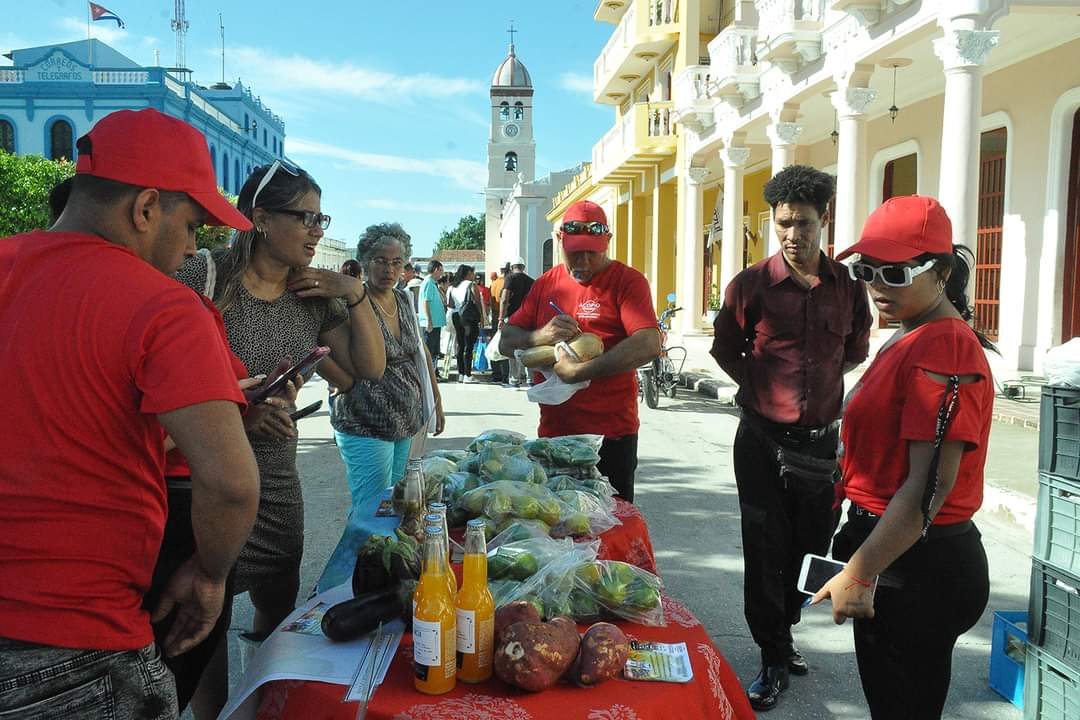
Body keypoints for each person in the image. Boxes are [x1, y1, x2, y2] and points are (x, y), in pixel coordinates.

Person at [0, 108, 260, 719]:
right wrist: (208, 575)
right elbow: (230, 485)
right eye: (193, 225)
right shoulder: (165, 306)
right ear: (146, 209)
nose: (194, 248)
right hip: (78, 643)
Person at [175, 159, 386, 717]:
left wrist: (354, 291)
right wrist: (237, 415)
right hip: (202, 475)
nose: (318, 230)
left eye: (322, 219)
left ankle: (262, 701)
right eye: (306, 218)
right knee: (204, 614)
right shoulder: (203, 278)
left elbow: (368, 367)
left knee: (277, 601)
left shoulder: (311, 295)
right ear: (261, 218)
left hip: (275, 475)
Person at [812, 196, 994, 720]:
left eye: (893, 272)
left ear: (938, 272)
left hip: (917, 565)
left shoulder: (944, 349)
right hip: (898, 552)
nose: (875, 286)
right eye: (864, 270)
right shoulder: (914, 332)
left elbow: (929, 487)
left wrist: (863, 571)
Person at [710, 164, 872, 712]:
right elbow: (725, 348)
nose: (792, 235)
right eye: (782, 224)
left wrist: (817, 394)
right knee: (764, 550)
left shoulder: (847, 288)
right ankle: (773, 654)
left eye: (802, 223)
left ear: (823, 220)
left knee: (812, 549)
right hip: (759, 443)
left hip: (821, 447)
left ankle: (785, 625)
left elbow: (854, 348)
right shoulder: (750, 286)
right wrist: (762, 388)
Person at [499, 200, 660, 502]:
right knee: (559, 526)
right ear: (560, 241)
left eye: (592, 253)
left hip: (611, 437)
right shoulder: (547, 284)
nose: (583, 262)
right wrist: (541, 335)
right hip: (555, 435)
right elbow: (506, 341)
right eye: (575, 253)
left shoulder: (627, 282)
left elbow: (649, 342)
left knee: (611, 528)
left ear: (607, 243)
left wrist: (580, 372)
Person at [332, 224, 445, 514]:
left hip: (407, 421)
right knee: (371, 509)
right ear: (366, 261)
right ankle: (359, 560)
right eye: (380, 261)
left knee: (399, 506)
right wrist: (345, 384)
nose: (389, 269)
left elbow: (422, 352)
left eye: (397, 262)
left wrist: (436, 401)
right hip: (365, 422)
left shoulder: (404, 299)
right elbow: (323, 348)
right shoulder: (352, 303)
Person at [499, 257, 535, 387]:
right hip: (528, 318)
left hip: (513, 318)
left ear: (512, 267)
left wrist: (501, 319)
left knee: (512, 347)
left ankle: (515, 379)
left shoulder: (510, 278)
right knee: (528, 347)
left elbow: (504, 299)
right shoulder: (532, 281)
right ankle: (531, 378)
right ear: (523, 267)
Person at [449, 264, 485, 384]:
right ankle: (468, 375)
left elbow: (450, 304)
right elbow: (478, 302)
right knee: (469, 345)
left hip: (456, 316)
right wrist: (482, 317)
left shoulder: (453, 287)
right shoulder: (471, 285)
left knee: (460, 344)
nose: (474, 275)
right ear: (468, 273)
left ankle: (461, 373)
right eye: (472, 273)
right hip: (468, 317)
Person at [418, 260, 447, 377]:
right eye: (441, 270)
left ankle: (433, 372)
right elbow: (426, 302)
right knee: (430, 349)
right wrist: (429, 320)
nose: (442, 273)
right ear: (435, 270)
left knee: (434, 350)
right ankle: (429, 373)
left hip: (435, 322)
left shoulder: (432, 283)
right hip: (431, 323)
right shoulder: (428, 283)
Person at [490, 265, 510, 384]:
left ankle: (495, 374)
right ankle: (505, 375)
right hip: (504, 318)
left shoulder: (493, 283)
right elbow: (505, 301)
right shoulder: (508, 283)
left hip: (495, 318)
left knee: (494, 345)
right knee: (504, 347)